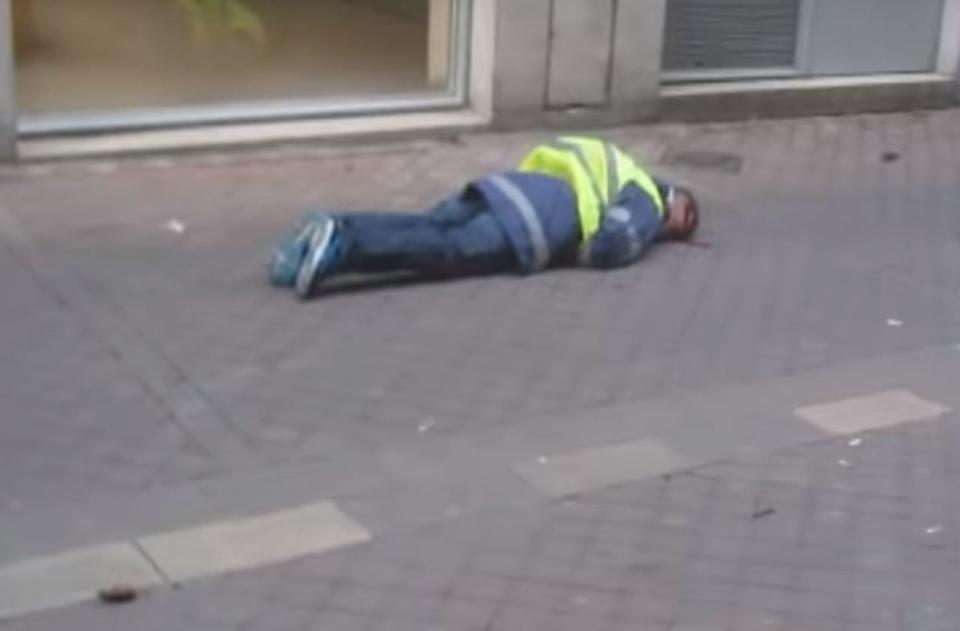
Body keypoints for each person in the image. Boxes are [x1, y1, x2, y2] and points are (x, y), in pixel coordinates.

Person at [269, 136, 700, 299]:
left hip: (501, 190)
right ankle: (344, 245)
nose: (672, 228)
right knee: (443, 251)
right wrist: (635, 238)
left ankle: (335, 228)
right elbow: (613, 245)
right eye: (682, 221)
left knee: (427, 228)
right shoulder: (647, 198)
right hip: (530, 224)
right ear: (677, 201)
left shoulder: (617, 160)